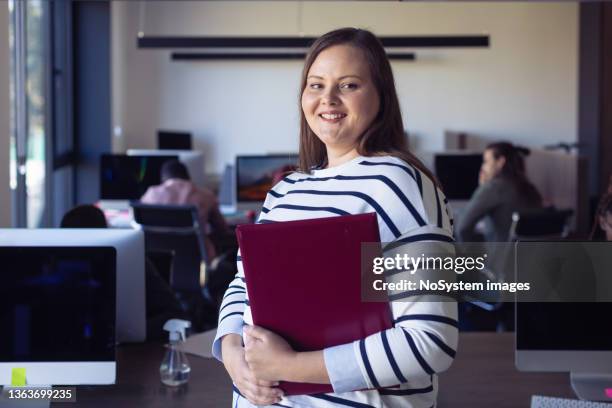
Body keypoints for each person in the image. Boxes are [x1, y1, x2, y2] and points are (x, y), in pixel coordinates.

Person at [213, 28, 457, 408]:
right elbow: (243, 287)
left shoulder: (398, 182)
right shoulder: (285, 189)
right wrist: (231, 354)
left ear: (381, 97)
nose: (327, 99)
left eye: (348, 85)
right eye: (316, 85)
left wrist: (291, 365)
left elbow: (430, 342)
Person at [60, 204, 185, 341]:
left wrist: (130, 334)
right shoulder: (54, 272)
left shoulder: (128, 261)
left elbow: (176, 316)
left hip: (126, 353)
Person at [141, 160, 228, 261]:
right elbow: (222, 228)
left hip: (158, 259)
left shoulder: (151, 194)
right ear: (187, 176)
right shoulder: (206, 195)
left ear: (163, 179)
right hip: (198, 260)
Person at [456, 142, 542, 242]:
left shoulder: (493, 188)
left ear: (500, 161)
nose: (483, 167)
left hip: (501, 256)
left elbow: (462, 228)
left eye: (486, 162)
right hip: (529, 256)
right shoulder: (530, 188)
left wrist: (473, 255)